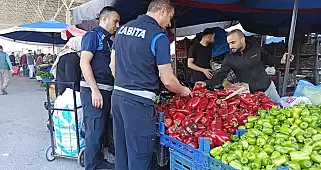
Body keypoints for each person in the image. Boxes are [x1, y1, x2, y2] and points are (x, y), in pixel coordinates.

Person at [110, 0, 191, 169]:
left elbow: (112, 66)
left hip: (117, 97)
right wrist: (184, 91)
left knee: (122, 152)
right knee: (139, 156)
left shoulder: (122, 30)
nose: (169, 23)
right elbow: (168, 80)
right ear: (162, 11)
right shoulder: (158, 36)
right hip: (139, 103)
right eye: (170, 17)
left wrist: (126, 83)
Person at [201, 29, 294, 102]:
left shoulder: (255, 47)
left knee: (279, 110)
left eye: (233, 42)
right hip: (251, 95)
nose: (230, 46)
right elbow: (220, 76)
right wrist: (206, 83)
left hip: (268, 88)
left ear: (242, 39)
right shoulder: (229, 58)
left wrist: (281, 60)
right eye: (229, 43)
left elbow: (267, 58)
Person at [80, 6, 120, 170]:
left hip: (106, 90)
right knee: (94, 130)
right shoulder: (92, 36)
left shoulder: (109, 41)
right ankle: (92, 165)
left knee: (101, 128)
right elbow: (84, 62)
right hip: (93, 90)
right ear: (104, 19)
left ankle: (98, 160)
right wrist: (95, 90)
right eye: (115, 21)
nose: (117, 25)